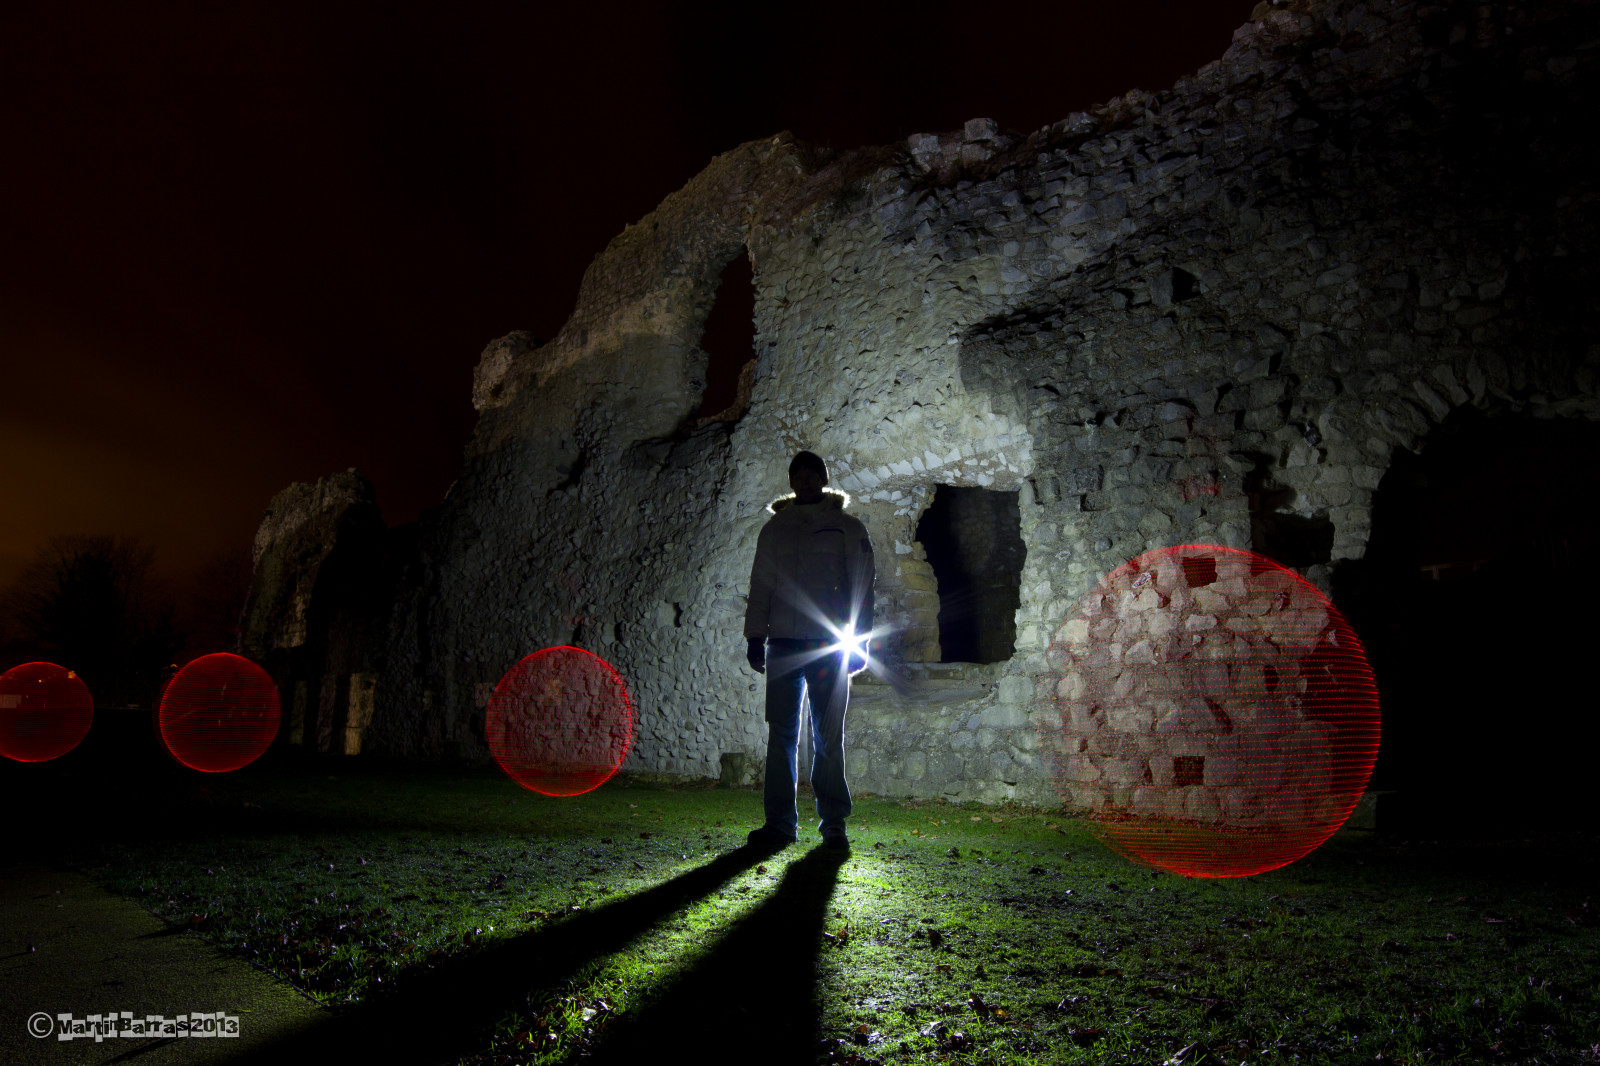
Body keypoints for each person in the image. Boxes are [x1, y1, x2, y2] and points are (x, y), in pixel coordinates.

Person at [743, 450, 875, 851]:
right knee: (780, 736)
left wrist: (860, 641)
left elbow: (862, 588)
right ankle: (780, 824)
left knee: (827, 736)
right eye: (797, 475)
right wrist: (754, 636)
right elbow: (761, 584)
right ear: (791, 481)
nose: (803, 480)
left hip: (828, 645)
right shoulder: (775, 530)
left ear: (822, 478)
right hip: (783, 642)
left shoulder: (847, 528)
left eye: (810, 474)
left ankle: (833, 823)